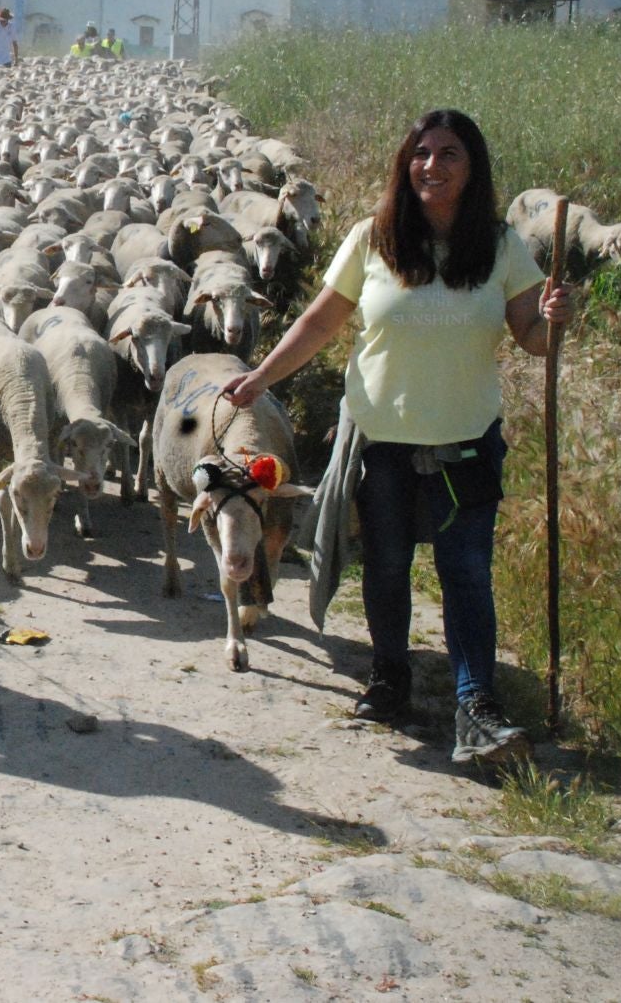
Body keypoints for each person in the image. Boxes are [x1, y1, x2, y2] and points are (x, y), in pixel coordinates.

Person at [219, 109, 577, 765]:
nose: (432, 166)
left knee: (465, 571)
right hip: (381, 442)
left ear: (473, 169)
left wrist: (555, 319)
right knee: (386, 567)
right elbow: (323, 323)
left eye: (449, 155)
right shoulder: (374, 238)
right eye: (421, 153)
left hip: (466, 442)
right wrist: (260, 377)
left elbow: (532, 338)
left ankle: (478, 706)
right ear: (404, 162)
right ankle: (390, 678)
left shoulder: (500, 246)